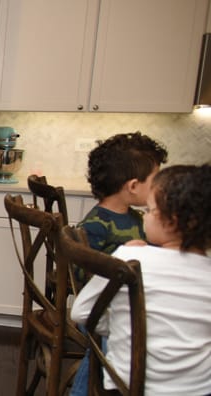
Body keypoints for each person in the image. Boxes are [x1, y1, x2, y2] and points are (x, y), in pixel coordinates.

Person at [71, 164, 211, 394]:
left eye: (149, 210)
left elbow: (81, 313)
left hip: (125, 384)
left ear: (171, 221)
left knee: (107, 339)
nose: (144, 217)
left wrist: (121, 326)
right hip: (197, 391)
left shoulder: (131, 256)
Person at [70, 131, 168, 396]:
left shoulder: (139, 220)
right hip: (103, 309)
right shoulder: (96, 225)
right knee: (101, 349)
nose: (159, 187)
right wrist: (117, 263)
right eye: (155, 180)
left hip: (129, 304)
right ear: (133, 186)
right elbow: (82, 274)